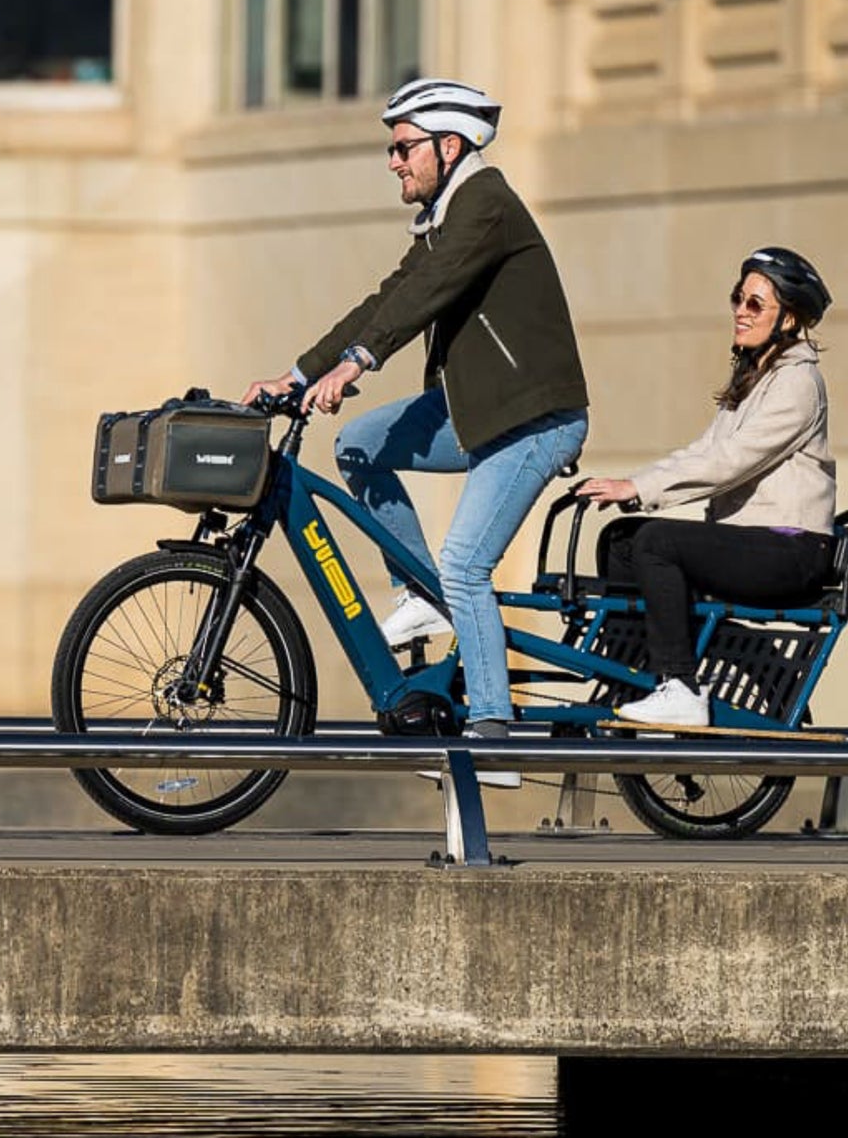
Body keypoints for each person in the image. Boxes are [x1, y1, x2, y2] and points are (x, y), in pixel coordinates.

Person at [243, 77, 591, 762]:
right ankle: (419, 593)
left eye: (403, 147)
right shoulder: (447, 216)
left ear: (450, 144)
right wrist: (302, 372)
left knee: (465, 562)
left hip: (534, 419)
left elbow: (430, 294)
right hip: (475, 410)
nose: (394, 161)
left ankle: (492, 731)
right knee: (360, 444)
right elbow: (393, 294)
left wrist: (359, 363)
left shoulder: (485, 204)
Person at [575, 246, 836, 728]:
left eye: (756, 303)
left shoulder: (798, 384)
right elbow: (702, 451)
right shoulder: (757, 378)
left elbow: (727, 463)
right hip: (759, 542)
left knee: (656, 543)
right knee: (624, 540)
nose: (740, 310)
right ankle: (633, 672)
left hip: (790, 549)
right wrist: (629, 487)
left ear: (790, 319)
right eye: (738, 298)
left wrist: (637, 486)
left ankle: (679, 684)